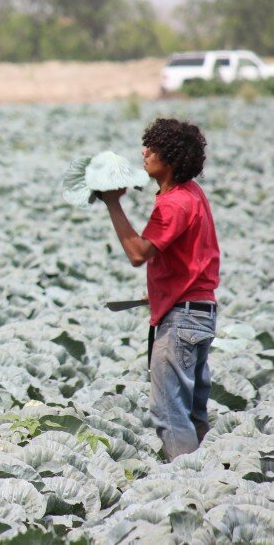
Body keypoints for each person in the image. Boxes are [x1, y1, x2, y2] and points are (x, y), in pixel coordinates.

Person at [97, 118, 220, 461]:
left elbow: (138, 253)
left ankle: (186, 487)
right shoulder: (191, 194)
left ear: (171, 157)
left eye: (152, 148)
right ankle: (207, 483)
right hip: (199, 314)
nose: (144, 152)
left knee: (168, 413)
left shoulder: (174, 203)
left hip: (181, 321)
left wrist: (112, 203)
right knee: (192, 414)